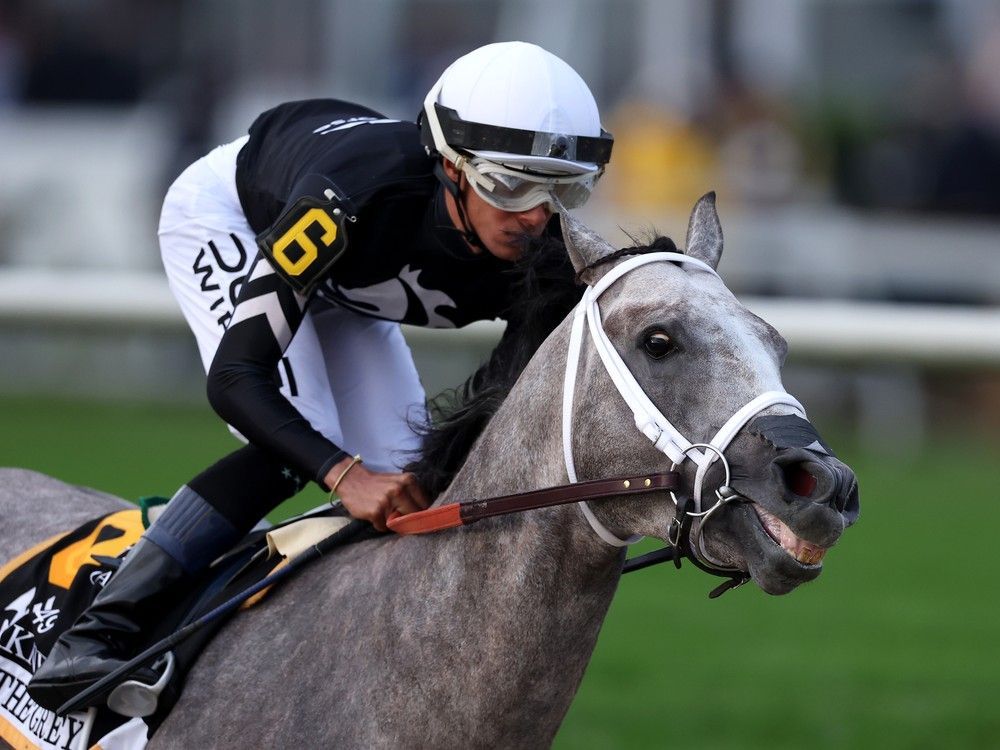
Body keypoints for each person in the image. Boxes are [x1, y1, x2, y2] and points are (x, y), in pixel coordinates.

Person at [28, 40, 613, 711]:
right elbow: (238, 379)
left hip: (348, 281)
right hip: (237, 220)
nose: (535, 216)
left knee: (409, 480)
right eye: (508, 185)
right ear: (450, 166)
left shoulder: (550, 256)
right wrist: (341, 473)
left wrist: (417, 474)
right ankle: (99, 629)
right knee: (306, 441)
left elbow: (491, 406)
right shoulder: (353, 196)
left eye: (562, 188)